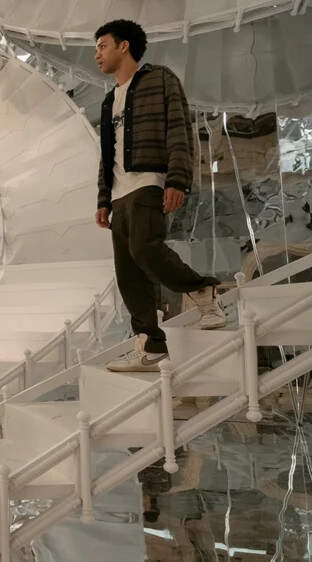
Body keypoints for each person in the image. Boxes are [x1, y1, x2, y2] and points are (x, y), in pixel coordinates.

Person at [92, 19, 225, 373]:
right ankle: (150, 344)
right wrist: (103, 199)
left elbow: (179, 130)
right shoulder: (108, 101)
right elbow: (107, 155)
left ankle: (203, 290)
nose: (97, 55)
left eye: (102, 46)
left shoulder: (160, 79)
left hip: (149, 181)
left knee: (144, 247)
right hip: (118, 194)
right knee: (127, 272)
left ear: (124, 46)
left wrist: (177, 180)